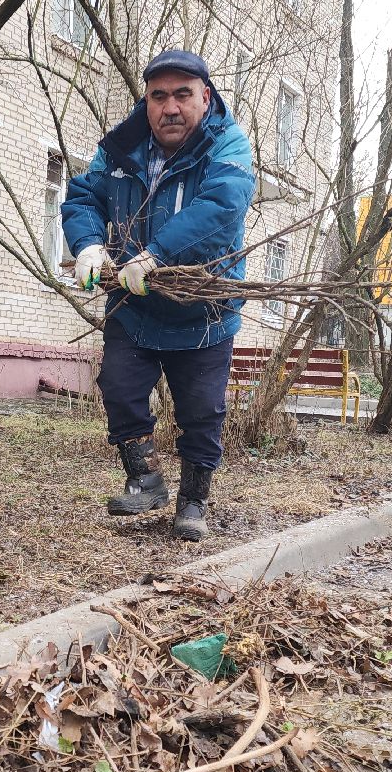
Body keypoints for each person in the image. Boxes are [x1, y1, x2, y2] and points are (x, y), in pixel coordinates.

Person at [61, 49, 255, 541]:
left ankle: (193, 502)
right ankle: (144, 479)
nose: (170, 107)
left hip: (205, 309)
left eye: (182, 95)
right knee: (120, 388)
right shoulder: (121, 149)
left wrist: (157, 254)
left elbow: (221, 207)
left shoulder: (227, 146)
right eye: (159, 96)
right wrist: (86, 245)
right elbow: (84, 197)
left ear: (205, 97)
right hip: (136, 304)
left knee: (202, 411)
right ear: (146, 101)